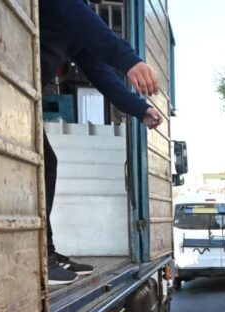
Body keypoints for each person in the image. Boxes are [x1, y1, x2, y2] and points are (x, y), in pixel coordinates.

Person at [40, 0, 164, 285]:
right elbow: (84, 19)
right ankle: (41, 259)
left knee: (46, 165)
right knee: (43, 165)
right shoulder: (70, 8)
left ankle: (45, 253)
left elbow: (101, 73)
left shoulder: (76, 25)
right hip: (1, 87)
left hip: (21, 97)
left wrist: (139, 108)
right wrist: (129, 59)